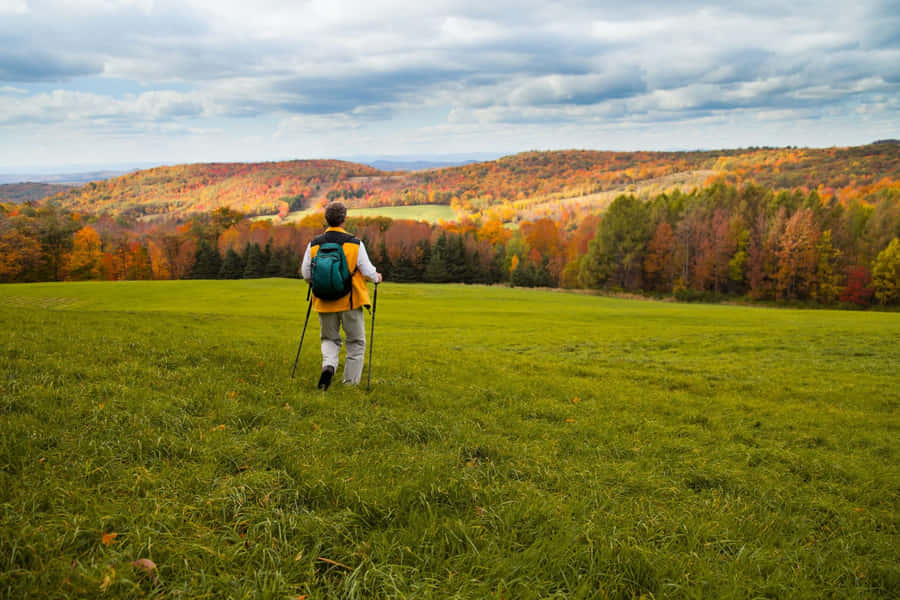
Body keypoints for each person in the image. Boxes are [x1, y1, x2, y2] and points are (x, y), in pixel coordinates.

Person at [301, 202, 382, 389]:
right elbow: (368, 272)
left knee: (329, 339)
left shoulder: (314, 244)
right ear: (344, 219)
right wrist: (377, 277)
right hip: (350, 301)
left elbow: (306, 274)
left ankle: (329, 366)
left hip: (324, 300)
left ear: (326, 219)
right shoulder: (355, 243)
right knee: (355, 342)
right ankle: (350, 385)